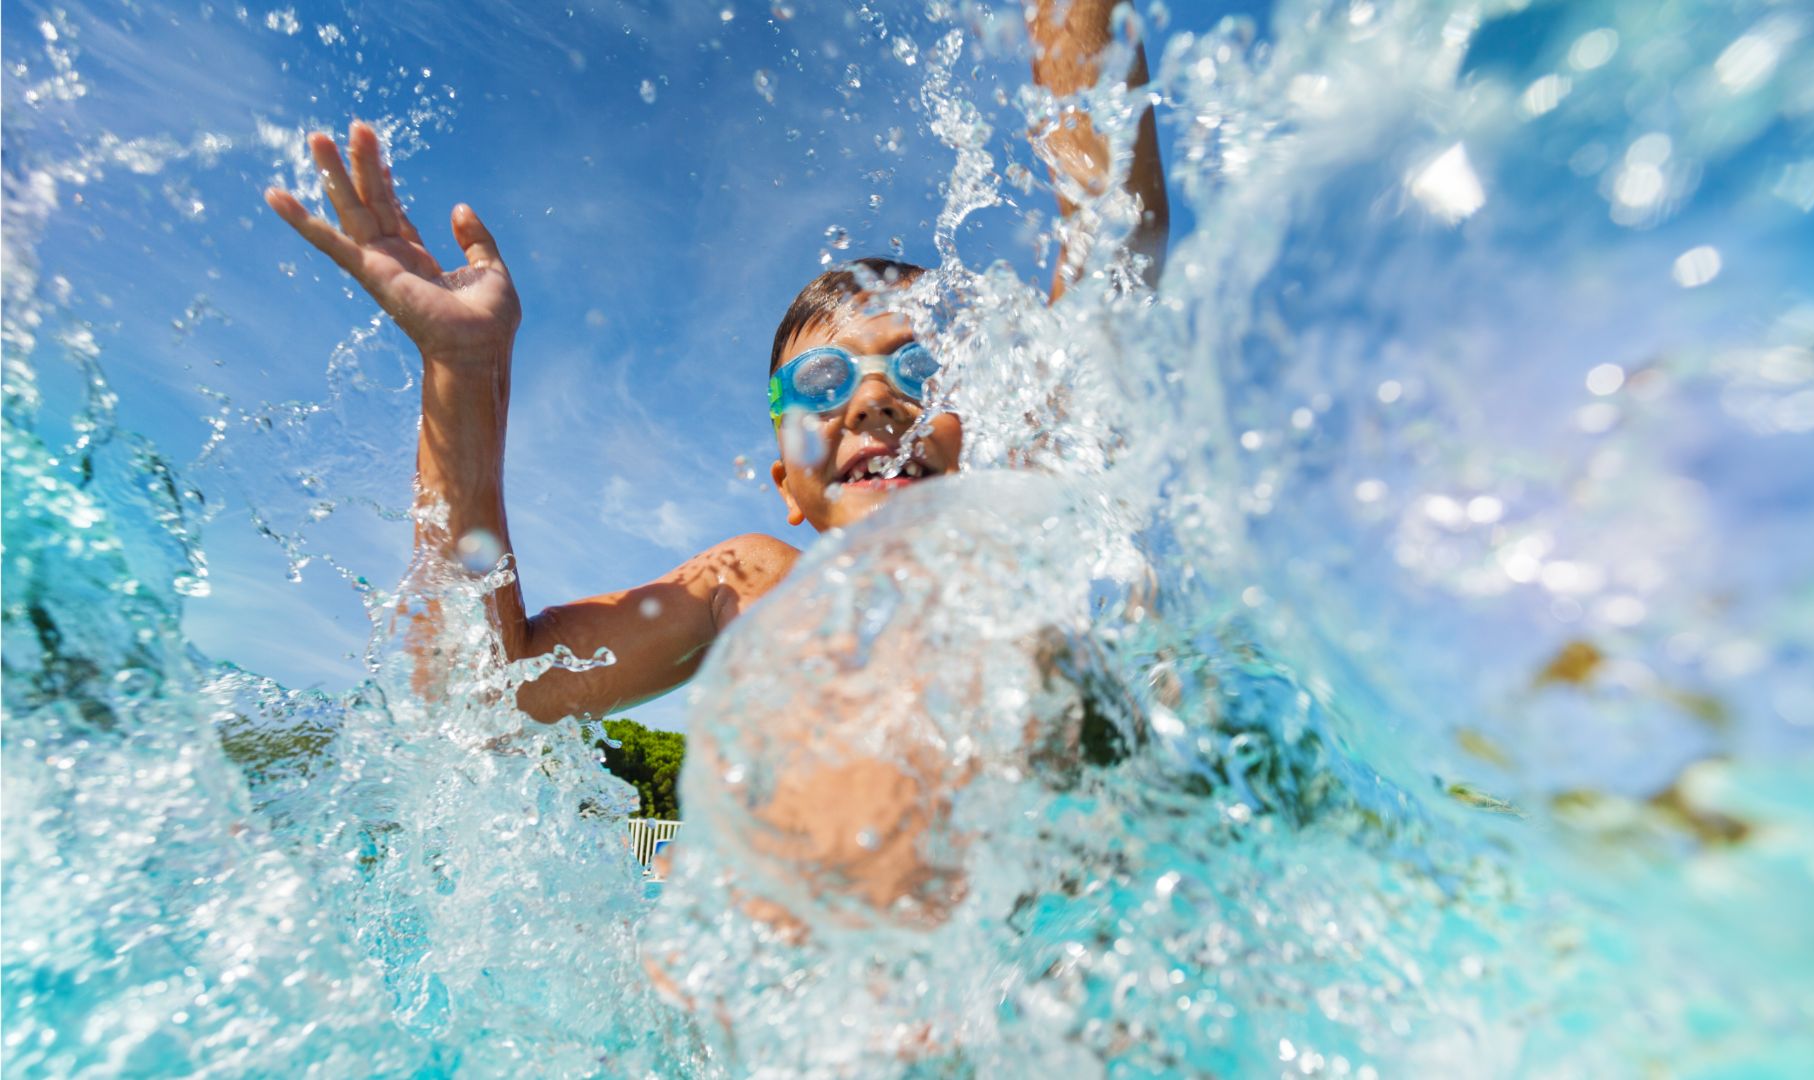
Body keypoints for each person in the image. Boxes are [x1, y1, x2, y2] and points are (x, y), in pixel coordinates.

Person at [264, 0, 1168, 917]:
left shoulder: (1038, 547)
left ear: (982, 423)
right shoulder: (753, 582)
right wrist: (463, 375)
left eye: (922, 367)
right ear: (788, 489)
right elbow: (482, 694)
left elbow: (1115, 248)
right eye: (822, 381)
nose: (876, 400)